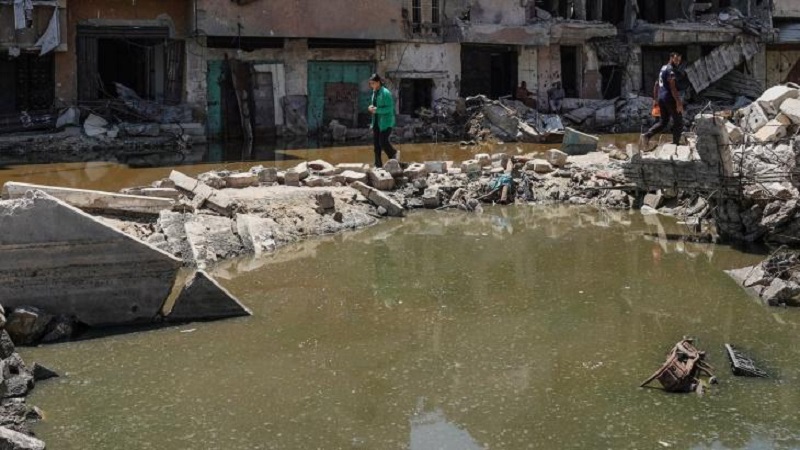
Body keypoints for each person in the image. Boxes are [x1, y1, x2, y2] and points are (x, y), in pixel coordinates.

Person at [642, 52, 684, 150]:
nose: (678, 62)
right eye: (676, 59)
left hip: (661, 98)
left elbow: (656, 84)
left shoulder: (663, 68)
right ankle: (675, 144)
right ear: (671, 58)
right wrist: (678, 102)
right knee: (678, 121)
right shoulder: (670, 70)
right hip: (669, 98)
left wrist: (656, 98)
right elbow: (673, 87)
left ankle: (647, 135)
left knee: (664, 121)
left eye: (679, 60)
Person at [367, 73, 398, 167]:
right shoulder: (374, 92)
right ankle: (378, 164)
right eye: (370, 83)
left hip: (386, 122)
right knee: (376, 145)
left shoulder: (385, 93)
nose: (371, 85)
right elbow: (374, 104)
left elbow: (390, 108)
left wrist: (377, 110)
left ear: (378, 82)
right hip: (376, 121)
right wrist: (370, 107)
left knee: (383, 142)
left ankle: (393, 155)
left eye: (373, 83)